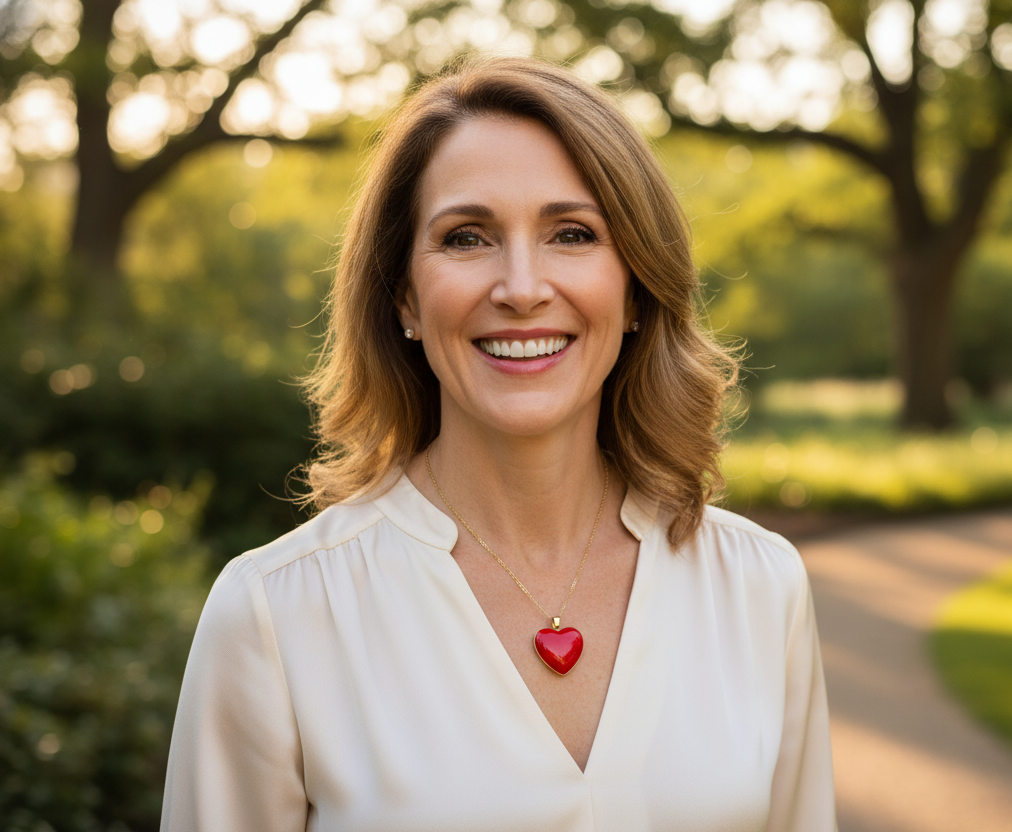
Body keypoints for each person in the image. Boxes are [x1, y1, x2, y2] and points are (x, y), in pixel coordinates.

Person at [160, 56, 835, 831]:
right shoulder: (278, 615)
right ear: (406, 297)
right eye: (468, 237)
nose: (520, 287)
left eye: (573, 234)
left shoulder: (758, 587)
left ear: (639, 290)